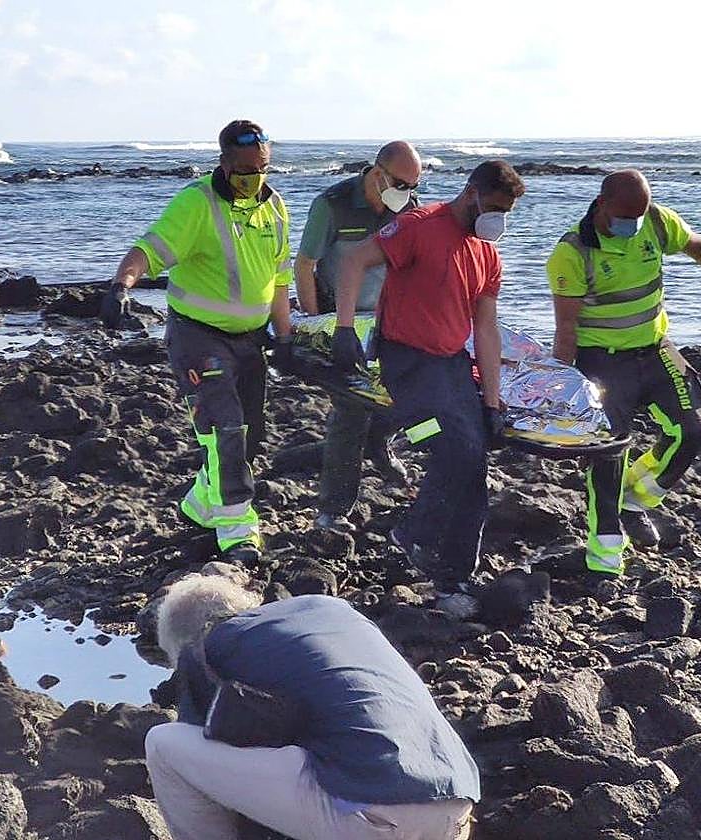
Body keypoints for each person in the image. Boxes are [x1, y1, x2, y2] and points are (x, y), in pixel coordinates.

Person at [547, 169, 701, 575]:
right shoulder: (572, 252)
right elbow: (565, 330)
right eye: (625, 216)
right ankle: (604, 557)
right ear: (602, 205)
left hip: (655, 350)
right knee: (607, 454)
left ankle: (636, 500)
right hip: (602, 361)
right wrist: (561, 394)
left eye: (640, 214)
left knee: (694, 429)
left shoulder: (655, 221)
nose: (633, 226)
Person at [145, 575, 479, 840]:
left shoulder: (207, 648)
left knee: (163, 744)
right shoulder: (327, 609)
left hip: (377, 820)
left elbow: (210, 754)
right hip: (455, 810)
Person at [101, 120, 293, 565]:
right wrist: (120, 286)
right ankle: (237, 533)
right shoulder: (196, 203)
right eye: (244, 170)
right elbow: (149, 250)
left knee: (250, 435)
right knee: (223, 428)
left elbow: (280, 278)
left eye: (262, 169)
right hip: (197, 337)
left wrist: (284, 338)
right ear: (224, 164)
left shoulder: (275, 207)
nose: (253, 179)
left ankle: (200, 504)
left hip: (250, 340)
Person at [332, 161, 525, 595]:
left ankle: (457, 573)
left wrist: (491, 403)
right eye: (493, 207)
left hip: (453, 363)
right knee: (452, 446)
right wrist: (345, 329)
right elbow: (354, 260)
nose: (498, 219)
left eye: (506, 212)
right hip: (407, 361)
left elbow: (487, 330)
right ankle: (415, 534)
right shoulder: (418, 226)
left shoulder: (487, 253)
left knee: (476, 460)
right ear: (472, 192)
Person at [295, 142, 422, 532]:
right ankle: (334, 510)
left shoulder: (409, 208)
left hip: (391, 321)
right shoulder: (332, 204)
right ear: (378, 173)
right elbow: (305, 265)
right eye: (401, 183)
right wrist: (318, 325)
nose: (407, 192)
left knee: (406, 400)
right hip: (343, 321)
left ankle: (380, 443)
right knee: (350, 411)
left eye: (414, 185)